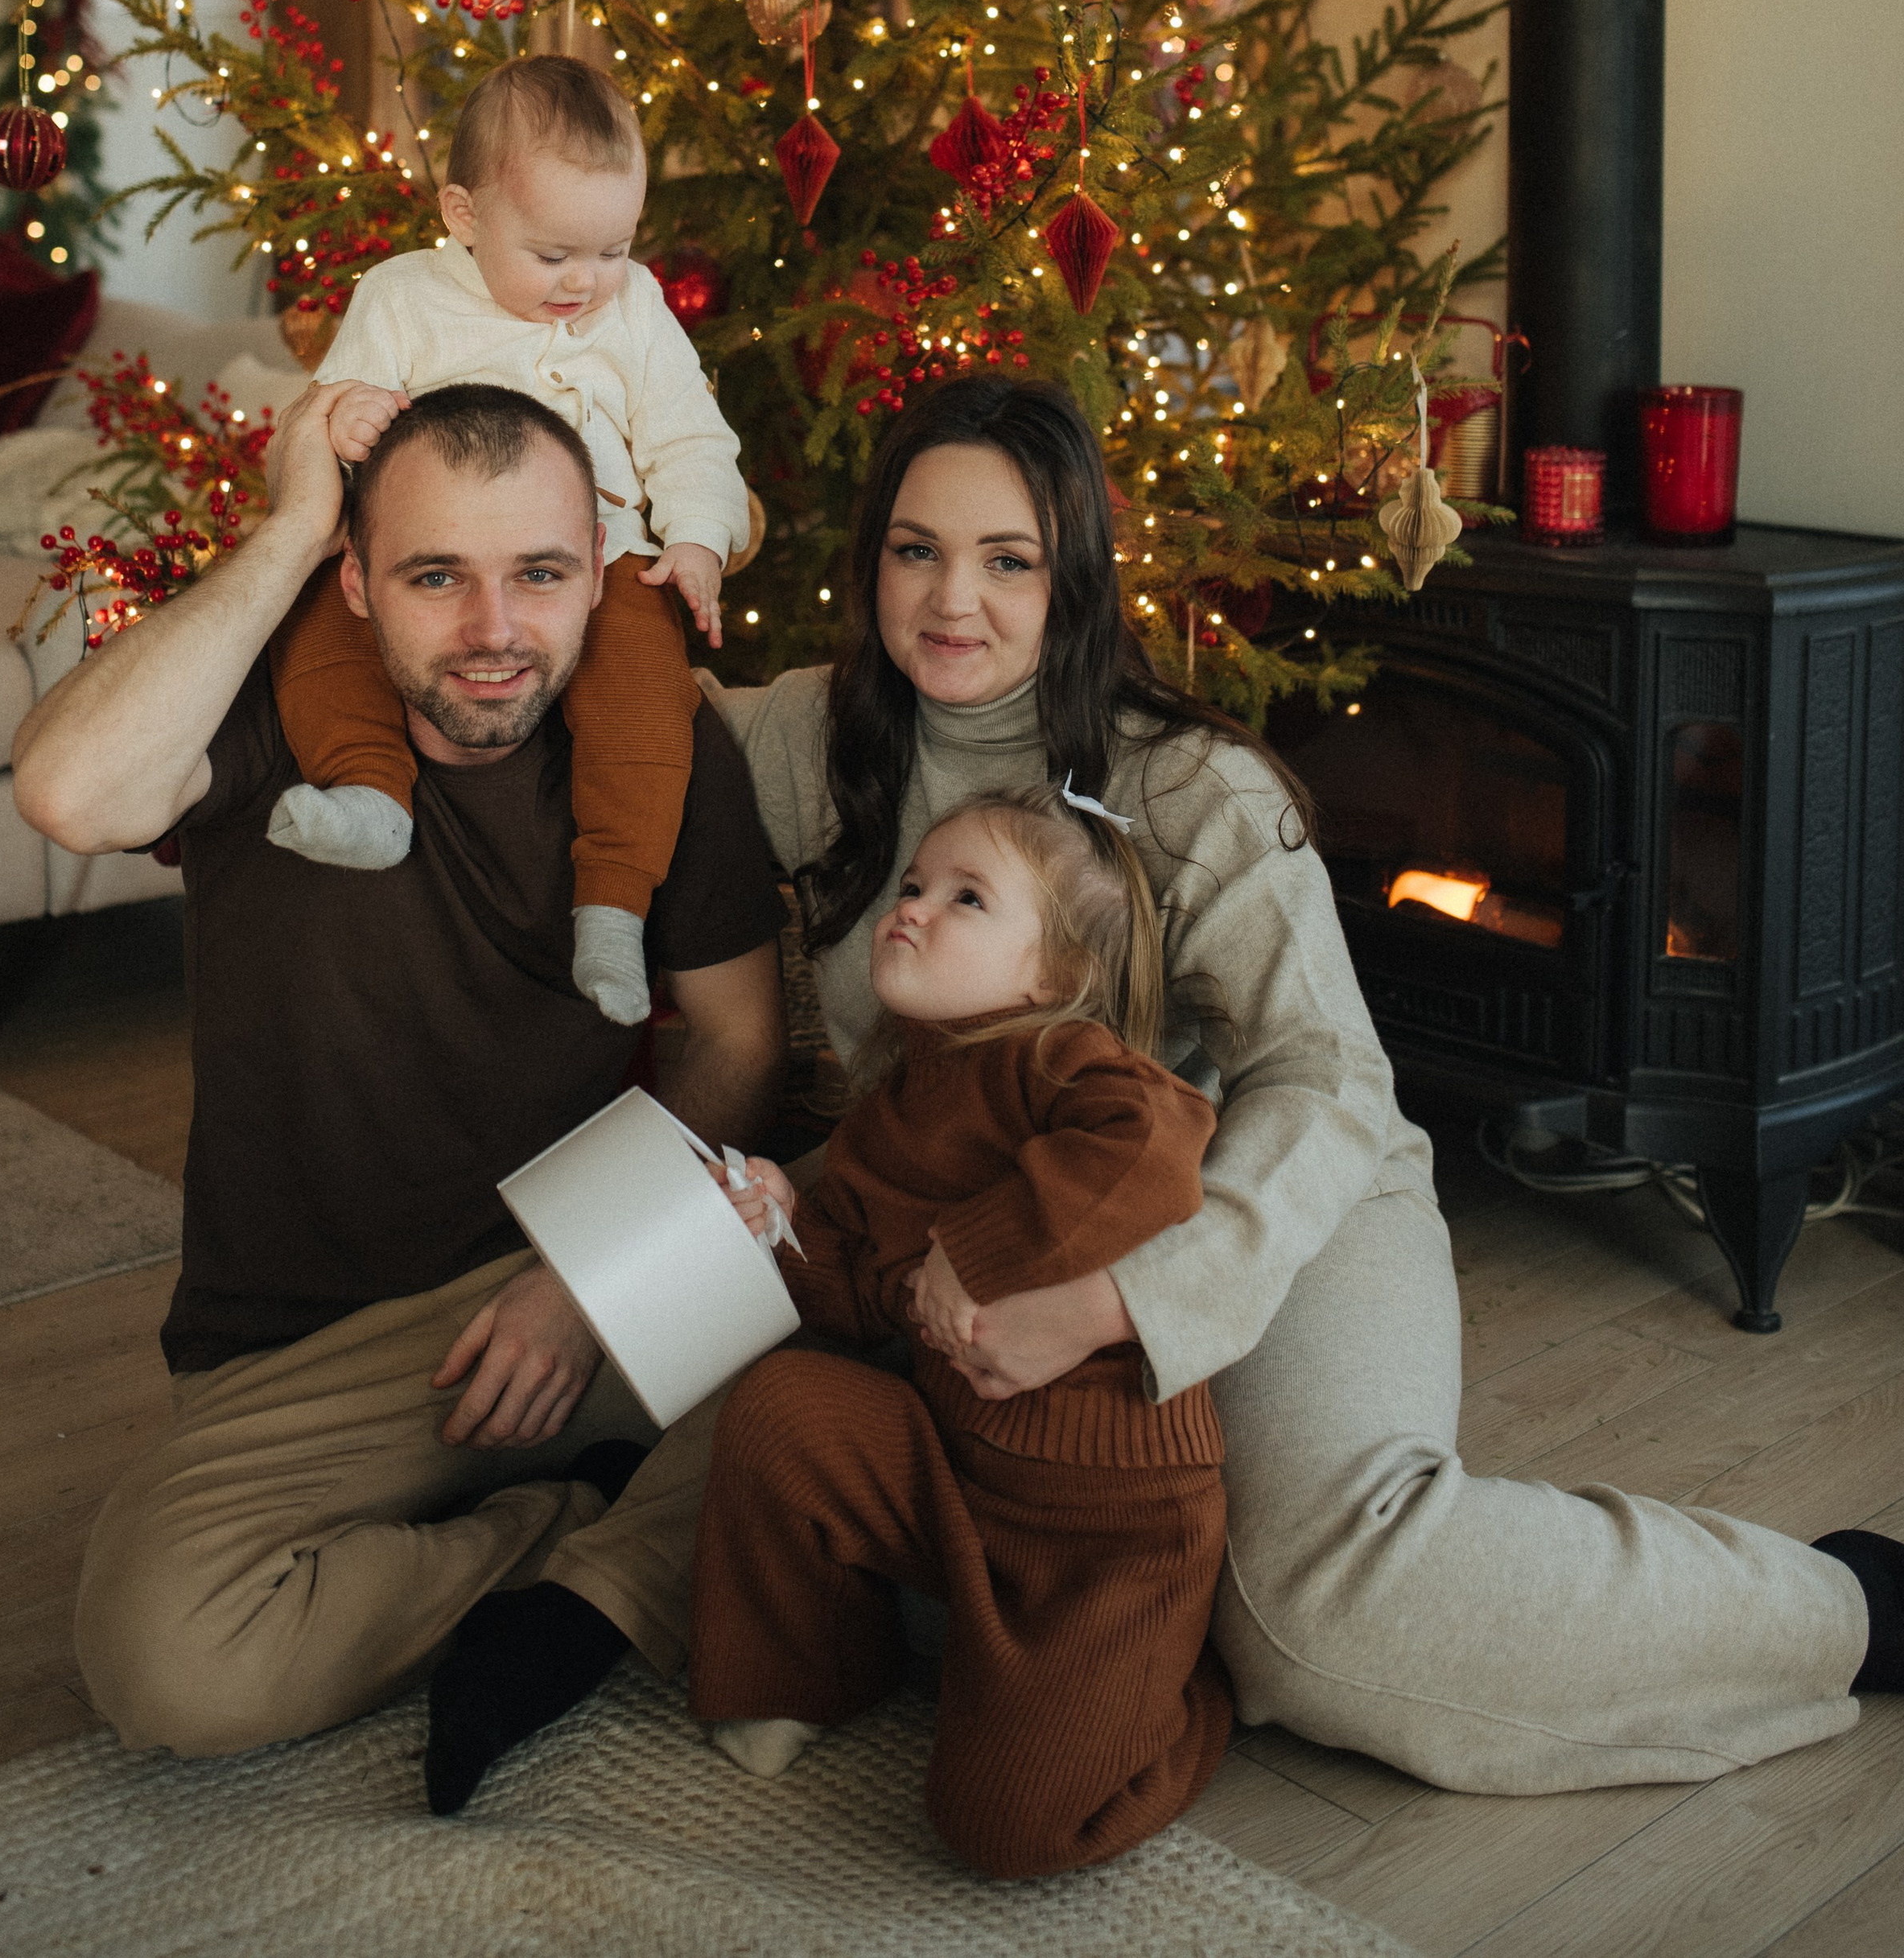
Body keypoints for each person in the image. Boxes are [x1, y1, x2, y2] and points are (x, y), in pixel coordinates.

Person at [688, 373, 1898, 1793]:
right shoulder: (810, 738)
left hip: (1267, 1199)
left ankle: (1847, 1608)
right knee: (778, 1450)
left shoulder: (1188, 788)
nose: (954, 599)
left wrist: (1125, 1303)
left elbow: (1326, 1084)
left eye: (1009, 559)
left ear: (1072, 577)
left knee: (1318, 1618)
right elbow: (624, 702)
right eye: (916, 550)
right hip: (1004, 1234)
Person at [10, 377, 787, 1820]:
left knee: (838, 1383)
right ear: (357, 582)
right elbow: (66, 792)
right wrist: (289, 523)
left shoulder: (661, 747)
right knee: (166, 1663)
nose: (496, 633)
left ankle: (591, 1559)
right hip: (306, 1350)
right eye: (438, 576)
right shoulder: (268, 712)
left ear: (596, 569)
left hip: (572, 1288)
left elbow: (739, 1043)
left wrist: (585, 1273)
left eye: (540, 575)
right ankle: (578, 1545)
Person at [692, 785, 1231, 1879]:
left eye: (967, 896)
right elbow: (851, 1300)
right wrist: (782, 1234)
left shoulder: (1064, 1059)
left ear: (1052, 974)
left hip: (1104, 1531)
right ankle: (818, 1670)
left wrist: (973, 1246)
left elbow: (1160, 1140)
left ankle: (1184, 1702)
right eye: (913, 884)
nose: (915, 907)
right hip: (958, 1478)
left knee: (1005, 1826)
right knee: (781, 1408)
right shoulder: (884, 1111)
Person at [268, 52, 749, 1028]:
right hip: (433, 545)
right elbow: (331, 410)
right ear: (464, 216)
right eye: (553, 254)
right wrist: (348, 413)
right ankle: (369, 794)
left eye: (611, 249)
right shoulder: (403, 295)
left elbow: (690, 436)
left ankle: (613, 905)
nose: (585, 280)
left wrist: (697, 537)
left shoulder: (638, 307)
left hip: (599, 552)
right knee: (322, 618)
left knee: (647, 694)